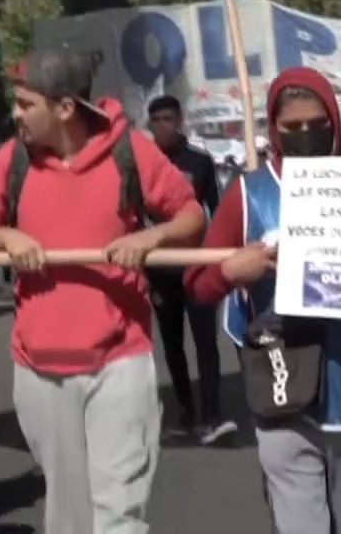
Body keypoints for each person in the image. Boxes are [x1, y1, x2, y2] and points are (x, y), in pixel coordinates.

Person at [0, 51, 204, 534]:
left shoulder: (130, 151)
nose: (16, 114)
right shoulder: (14, 159)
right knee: (67, 516)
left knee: (120, 512)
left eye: (26, 104)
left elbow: (192, 217)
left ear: (65, 107)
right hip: (39, 367)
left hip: (120, 360)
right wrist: (7, 237)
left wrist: (149, 238)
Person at [186, 67, 341, 534]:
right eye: (292, 128)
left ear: (334, 119)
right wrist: (230, 271)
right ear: (274, 128)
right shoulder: (248, 195)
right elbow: (198, 283)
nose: (305, 134)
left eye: (316, 123)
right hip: (282, 386)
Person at [144, 95, 229, 443]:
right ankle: (184, 411)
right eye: (157, 119)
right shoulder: (140, 163)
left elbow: (217, 210)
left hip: (197, 266)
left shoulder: (199, 161)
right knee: (172, 345)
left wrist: (222, 257)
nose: (164, 125)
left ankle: (211, 415)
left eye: (169, 118)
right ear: (150, 123)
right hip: (160, 269)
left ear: (180, 120)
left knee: (206, 343)